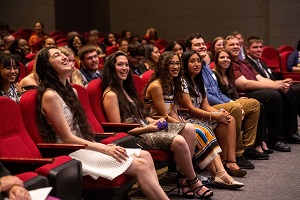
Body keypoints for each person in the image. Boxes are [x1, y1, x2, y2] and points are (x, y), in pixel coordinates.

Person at [34, 47, 169, 200]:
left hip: (84, 146)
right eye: (57, 56)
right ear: (47, 66)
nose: (64, 57)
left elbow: (80, 131)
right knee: (140, 165)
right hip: (70, 153)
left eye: (63, 54)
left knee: (145, 156)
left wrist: (100, 146)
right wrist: (103, 148)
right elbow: (67, 138)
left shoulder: (73, 91)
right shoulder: (50, 95)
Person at [102, 51, 214, 198]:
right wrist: (148, 127)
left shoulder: (127, 89)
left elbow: (141, 116)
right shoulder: (111, 94)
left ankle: (182, 177)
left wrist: (153, 121)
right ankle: (193, 180)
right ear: (111, 68)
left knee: (189, 129)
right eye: (120, 65)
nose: (124, 68)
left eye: (126, 65)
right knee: (179, 140)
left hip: (145, 128)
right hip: (136, 136)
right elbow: (120, 130)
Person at [144, 51, 244, 189]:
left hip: (170, 122)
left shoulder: (171, 84)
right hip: (158, 125)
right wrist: (184, 125)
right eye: (171, 63)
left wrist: (182, 123)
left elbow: (173, 111)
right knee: (199, 130)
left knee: (205, 129)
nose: (175, 66)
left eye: (177, 63)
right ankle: (217, 174)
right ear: (163, 66)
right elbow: (163, 116)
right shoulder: (156, 86)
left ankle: (220, 173)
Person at [185, 33, 260, 169]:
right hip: (209, 106)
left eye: (202, 44)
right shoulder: (194, 69)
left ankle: (248, 147)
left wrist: (232, 101)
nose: (202, 46)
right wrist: (232, 105)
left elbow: (217, 92)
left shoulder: (206, 66)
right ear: (188, 49)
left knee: (253, 104)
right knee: (235, 110)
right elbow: (206, 96)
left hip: (217, 102)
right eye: (197, 44)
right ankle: (237, 154)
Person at [180, 49, 248, 177]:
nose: (197, 64)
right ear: (185, 64)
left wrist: (220, 113)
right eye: (192, 61)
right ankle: (220, 166)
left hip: (200, 114)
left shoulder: (199, 81)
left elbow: (205, 105)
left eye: (198, 61)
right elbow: (191, 109)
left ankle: (229, 162)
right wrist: (215, 116)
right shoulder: (182, 82)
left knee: (229, 119)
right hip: (187, 117)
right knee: (220, 119)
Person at [224, 35, 297, 152]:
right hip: (244, 94)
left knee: (289, 91)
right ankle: (274, 139)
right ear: (224, 47)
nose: (236, 46)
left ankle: (289, 132)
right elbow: (244, 84)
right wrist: (275, 86)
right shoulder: (229, 63)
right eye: (232, 44)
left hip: (257, 90)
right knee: (274, 95)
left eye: (237, 44)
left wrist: (279, 83)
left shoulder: (243, 63)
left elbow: (260, 79)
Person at [213, 49, 272, 155]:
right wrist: (234, 102)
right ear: (216, 60)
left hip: (232, 101)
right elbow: (217, 95)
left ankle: (249, 146)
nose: (226, 60)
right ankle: (238, 152)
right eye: (222, 57)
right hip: (220, 105)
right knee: (241, 108)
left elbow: (233, 92)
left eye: (228, 58)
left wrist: (237, 99)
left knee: (256, 104)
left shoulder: (229, 74)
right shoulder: (214, 75)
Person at [245, 36, 300, 137]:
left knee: (294, 91)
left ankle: (290, 130)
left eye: (260, 47)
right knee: (285, 92)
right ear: (247, 49)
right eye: (255, 47)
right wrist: (278, 84)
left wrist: (281, 81)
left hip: (270, 85)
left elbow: (269, 78)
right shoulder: (247, 63)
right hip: (260, 90)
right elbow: (257, 81)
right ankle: (281, 134)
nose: (259, 50)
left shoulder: (262, 62)